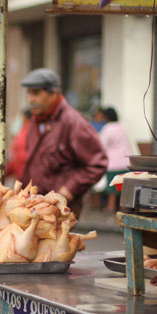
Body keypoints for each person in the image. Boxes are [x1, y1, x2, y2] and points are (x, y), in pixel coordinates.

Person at [19, 68, 108, 219]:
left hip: (61, 209)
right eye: (29, 93)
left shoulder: (73, 122)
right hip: (35, 205)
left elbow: (97, 163)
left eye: (36, 93)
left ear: (53, 94)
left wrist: (69, 189)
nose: (31, 99)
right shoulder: (36, 119)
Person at [98, 107, 132, 212]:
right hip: (126, 161)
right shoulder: (122, 126)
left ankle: (111, 207)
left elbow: (102, 145)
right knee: (123, 187)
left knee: (112, 187)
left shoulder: (107, 128)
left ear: (106, 117)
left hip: (113, 162)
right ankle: (123, 207)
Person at [5, 109, 31, 182]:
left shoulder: (25, 133)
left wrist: (5, 174)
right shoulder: (26, 132)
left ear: (25, 117)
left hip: (24, 176)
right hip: (25, 175)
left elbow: (17, 157)